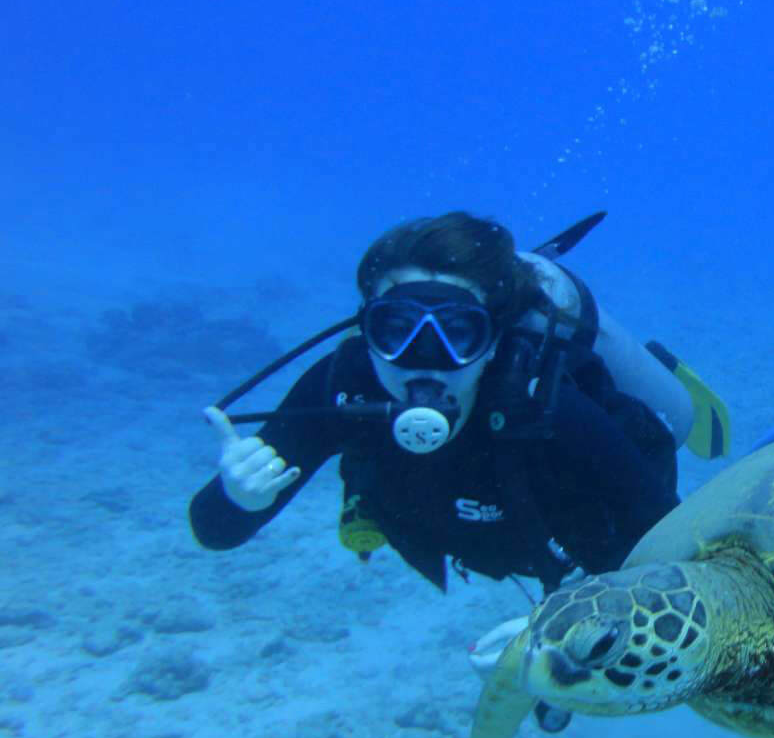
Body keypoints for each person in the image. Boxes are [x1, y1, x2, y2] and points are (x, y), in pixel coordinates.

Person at [189, 211, 727, 596]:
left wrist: (581, 617)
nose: (423, 361)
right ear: (365, 329)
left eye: (457, 333)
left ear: (493, 340)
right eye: (395, 330)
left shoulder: (547, 407)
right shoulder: (341, 389)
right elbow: (214, 531)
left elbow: (669, 548)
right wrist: (240, 498)